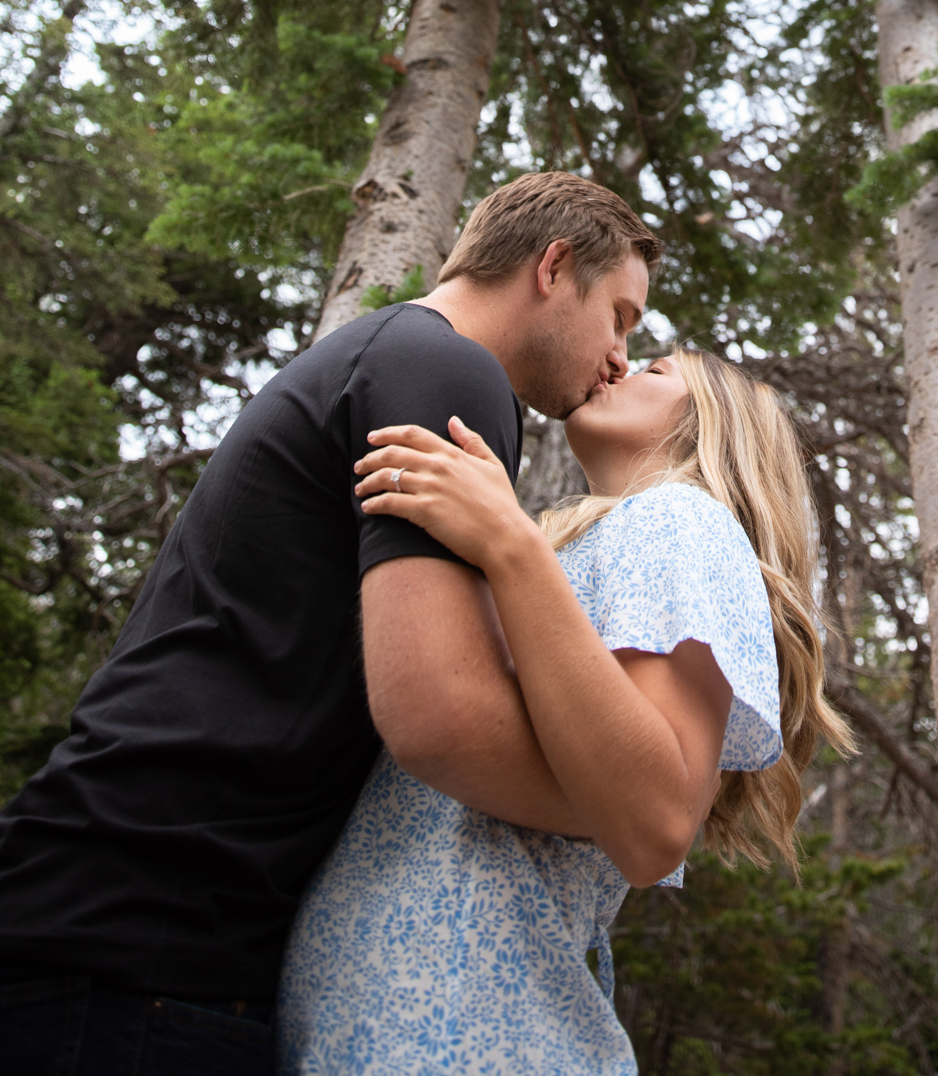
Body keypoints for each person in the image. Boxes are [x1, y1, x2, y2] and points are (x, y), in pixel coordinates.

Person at [0, 172, 657, 1075]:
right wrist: (636, 819)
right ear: (553, 266)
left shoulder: (385, 355)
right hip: (141, 956)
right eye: (619, 316)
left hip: (107, 934)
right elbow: (437, 713)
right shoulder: (450, 367)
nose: (621, 355)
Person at [276, 346, 852, 1074]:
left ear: (712, 424)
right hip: (384, 1018)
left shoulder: (679, 522)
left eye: (654, 369)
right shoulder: (598, 544)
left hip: (471, 1027)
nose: (616, 365)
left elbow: (656, 826)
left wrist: (510, 546)